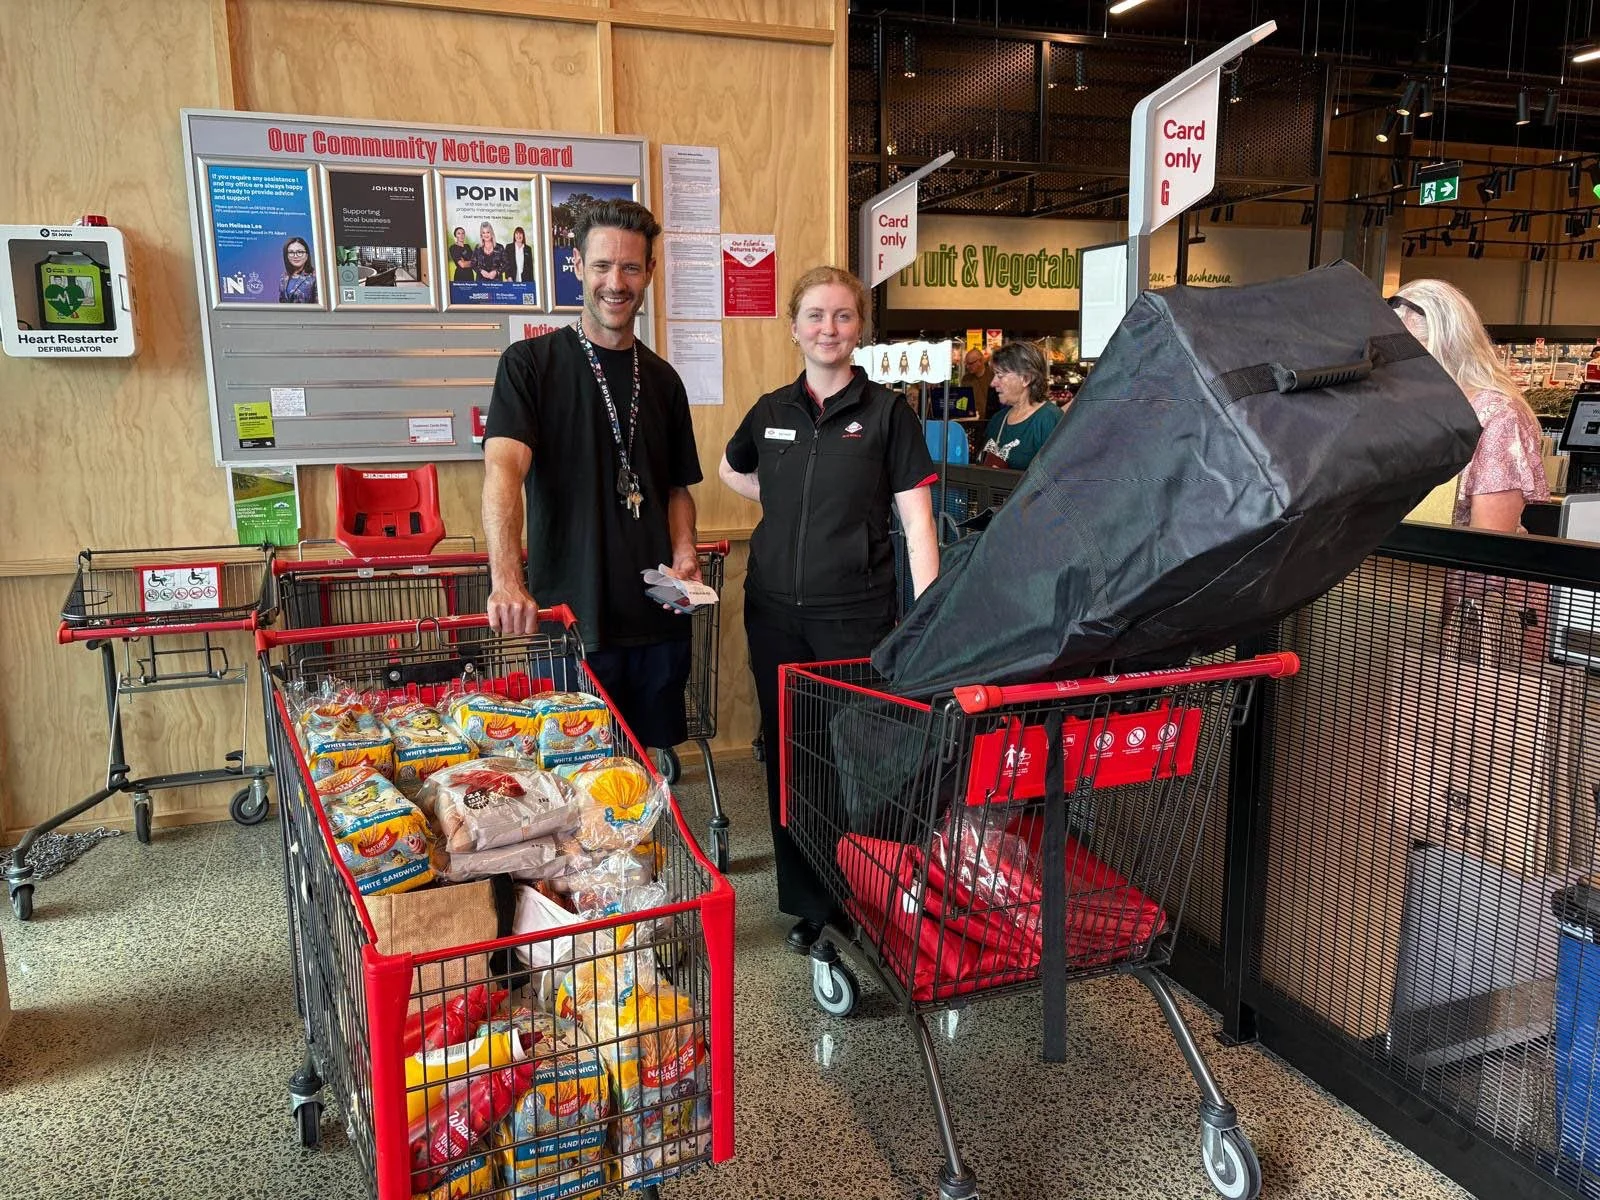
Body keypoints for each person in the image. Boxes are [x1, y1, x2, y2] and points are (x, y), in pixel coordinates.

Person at [718, 265, 940, 954]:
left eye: (843, 317)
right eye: (815, 315)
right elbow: (732, 469)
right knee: (792, 755)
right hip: (775, 615)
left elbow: (919, 525)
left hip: (856, 618)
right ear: (793, 326)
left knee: (859, 755)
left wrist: (930, 622)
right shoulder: (771, 411)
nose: (828, 329)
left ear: (860, 330)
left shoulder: (886, 414)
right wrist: (786, 510)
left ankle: (871, 884)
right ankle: (814, 904)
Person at [482, 199, 702, 759]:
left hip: (656, 622)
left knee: (638, 780)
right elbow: (503, 470)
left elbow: (677, 488)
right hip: (570, 621)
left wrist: (684, 551)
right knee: (568, 780)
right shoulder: (529, 365)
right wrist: (506, 577)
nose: (615, 282)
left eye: (631, 267)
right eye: (602, 266)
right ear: (577, 267)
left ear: (649, 272)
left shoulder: (664, 381)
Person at [1391, 279, 1550, 532]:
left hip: (1456, 568)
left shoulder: (1496, 417)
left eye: (1412, 354)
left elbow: (1489, 543)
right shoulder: (1400, 408)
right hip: (1389, 568)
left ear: (1449, 346)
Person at [977, 341, 1062, 471]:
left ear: (1026, 378)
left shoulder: (1049, 420)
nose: (993, 383)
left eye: (1000, 375)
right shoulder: (997, 420)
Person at [960, 346, 998, 420]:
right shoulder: (966, 379)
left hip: (991, 419)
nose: (967, 367)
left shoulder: (993, 376)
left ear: (980, 361)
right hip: (972, 420)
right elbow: (963, 403)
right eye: (966, 364)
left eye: (970, 363)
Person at [278, 237, 317, 304]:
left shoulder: (315, 277)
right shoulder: (284, 277)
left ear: (307, 255)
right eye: (291, 252)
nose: (295, 256)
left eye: (300, 252)